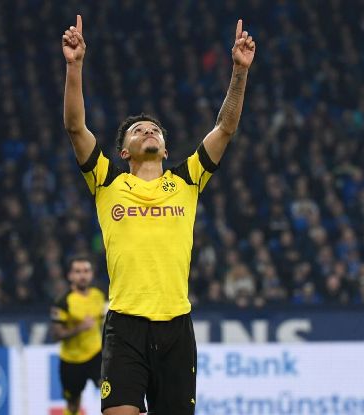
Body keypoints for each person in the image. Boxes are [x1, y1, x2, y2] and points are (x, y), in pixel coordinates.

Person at [61, 15, 255, 415]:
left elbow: (226, 127)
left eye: (155, 130)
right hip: (125, 325)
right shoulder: (106, 181)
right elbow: (76, 128)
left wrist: (238, 72)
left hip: (175, 326)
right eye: (139, 131)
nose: (149, 132)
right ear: (124, 151)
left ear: (166, 149)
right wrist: (74, 66)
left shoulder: (188, 179)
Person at [50, 255, 106, 415]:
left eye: (86, 271)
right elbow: (56, 335)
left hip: (96, 354)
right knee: (73, 403)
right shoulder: (63, 302)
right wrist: (79, 328)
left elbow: (103, 322)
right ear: (70, 276)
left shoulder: (99, 295)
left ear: (92, 274)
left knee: (110, 393)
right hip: (71, 360)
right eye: (78, 271)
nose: (83, 275)